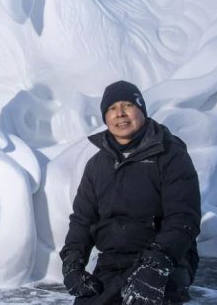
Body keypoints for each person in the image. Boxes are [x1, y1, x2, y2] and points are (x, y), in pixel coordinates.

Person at [61, 81, 201, 305]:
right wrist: (72, 263)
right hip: (112, 263)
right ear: (105, 117)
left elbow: (183, 218)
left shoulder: (171, 155)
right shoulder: (97, 165)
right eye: (112, 108)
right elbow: (82, 220)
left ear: (141, 110)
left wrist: (156, 266)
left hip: (166, 260)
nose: (120, 113)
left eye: (127, 105)